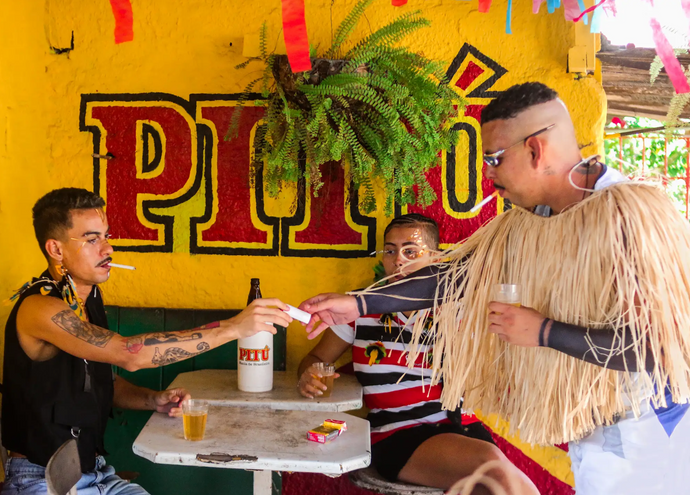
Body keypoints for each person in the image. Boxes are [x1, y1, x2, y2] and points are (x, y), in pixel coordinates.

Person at [299, 82, 690, 495]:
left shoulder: (627, 218)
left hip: (652, 436)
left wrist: (543, 332)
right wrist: (359, 303)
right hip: (597, 434)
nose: (488, 172)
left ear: (536, 151)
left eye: (494, 158)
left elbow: (658, 347)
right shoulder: (529, 223)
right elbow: (453, 277)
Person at [1, 188, 293, 495]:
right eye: (91, 239)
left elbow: (102, 379)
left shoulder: (88, 298)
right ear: (56, 250)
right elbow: (129, 354)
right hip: (41, 479)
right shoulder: (41, 308)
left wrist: (152, 399)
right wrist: (233, 327)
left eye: (106, 236)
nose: (108, 248)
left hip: (97, 473)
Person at [297, 214, 538, 494]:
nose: (398, 260)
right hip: (397, 431)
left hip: (462, 427)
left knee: (507, 485)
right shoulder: (357, 308)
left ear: (435, 259)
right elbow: (315, 359)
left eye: (410, 251)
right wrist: (309, 374)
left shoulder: (459, 309)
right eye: (390, 250)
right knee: (495, 472)